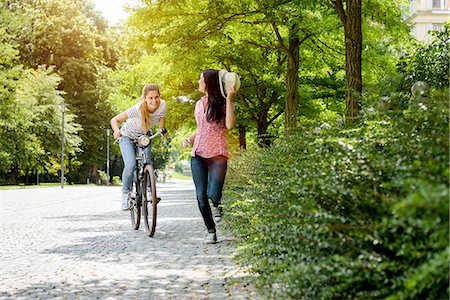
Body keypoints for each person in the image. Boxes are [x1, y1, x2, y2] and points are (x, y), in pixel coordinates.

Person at [183, 69, 240, 244]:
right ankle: (211, 231)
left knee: (213, 194)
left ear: (208, 83)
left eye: (200, 79)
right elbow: (201, 128)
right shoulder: (199, 103)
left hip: (218, 155)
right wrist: (190, 138)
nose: (198, 82)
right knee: (201, 196)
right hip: (198, 154)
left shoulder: (223, 103)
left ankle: (217, 204)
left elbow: (230, 125)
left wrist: (230, 99)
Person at [111, 84, 167, 210]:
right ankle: (125, 196)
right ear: (145, 98)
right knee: (130, 165)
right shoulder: (137, 109)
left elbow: (161, 122)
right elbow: (114, 120)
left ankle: (149, 193)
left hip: (145, 137)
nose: (154, 101)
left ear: (160, 96)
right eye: (150, 98)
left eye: (156, 97)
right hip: (127, 137)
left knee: (147, 161)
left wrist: (162, 131)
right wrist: (116, 131)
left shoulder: (162, 105)